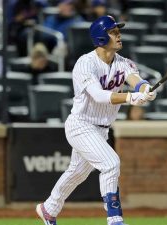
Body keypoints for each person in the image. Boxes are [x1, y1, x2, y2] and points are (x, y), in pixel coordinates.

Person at [36, 15, 157, 225]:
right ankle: (114, 219)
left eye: (118, 31)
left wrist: (146, 89)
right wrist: (130, 97)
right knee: (111, 163)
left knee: (77, 173)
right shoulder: (85, 63)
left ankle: (49, 208)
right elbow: (99, 95)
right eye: (113, 32)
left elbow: (135, 80)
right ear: (101, 37)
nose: (119, 35)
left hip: (101, 129)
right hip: (81, 125)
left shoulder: (123, 63)